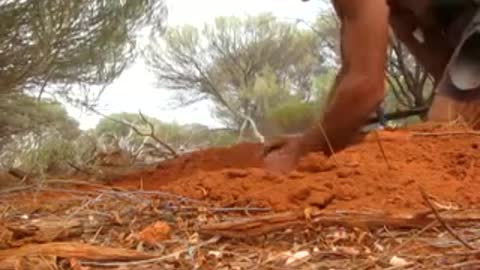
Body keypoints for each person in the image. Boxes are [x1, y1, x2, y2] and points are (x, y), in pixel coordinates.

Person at [263, 0, 480, 173]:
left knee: (442, 141)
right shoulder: (401, 11)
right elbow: (351, 71)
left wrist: (302, 151)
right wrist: (314, 137)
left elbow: (366, 86)